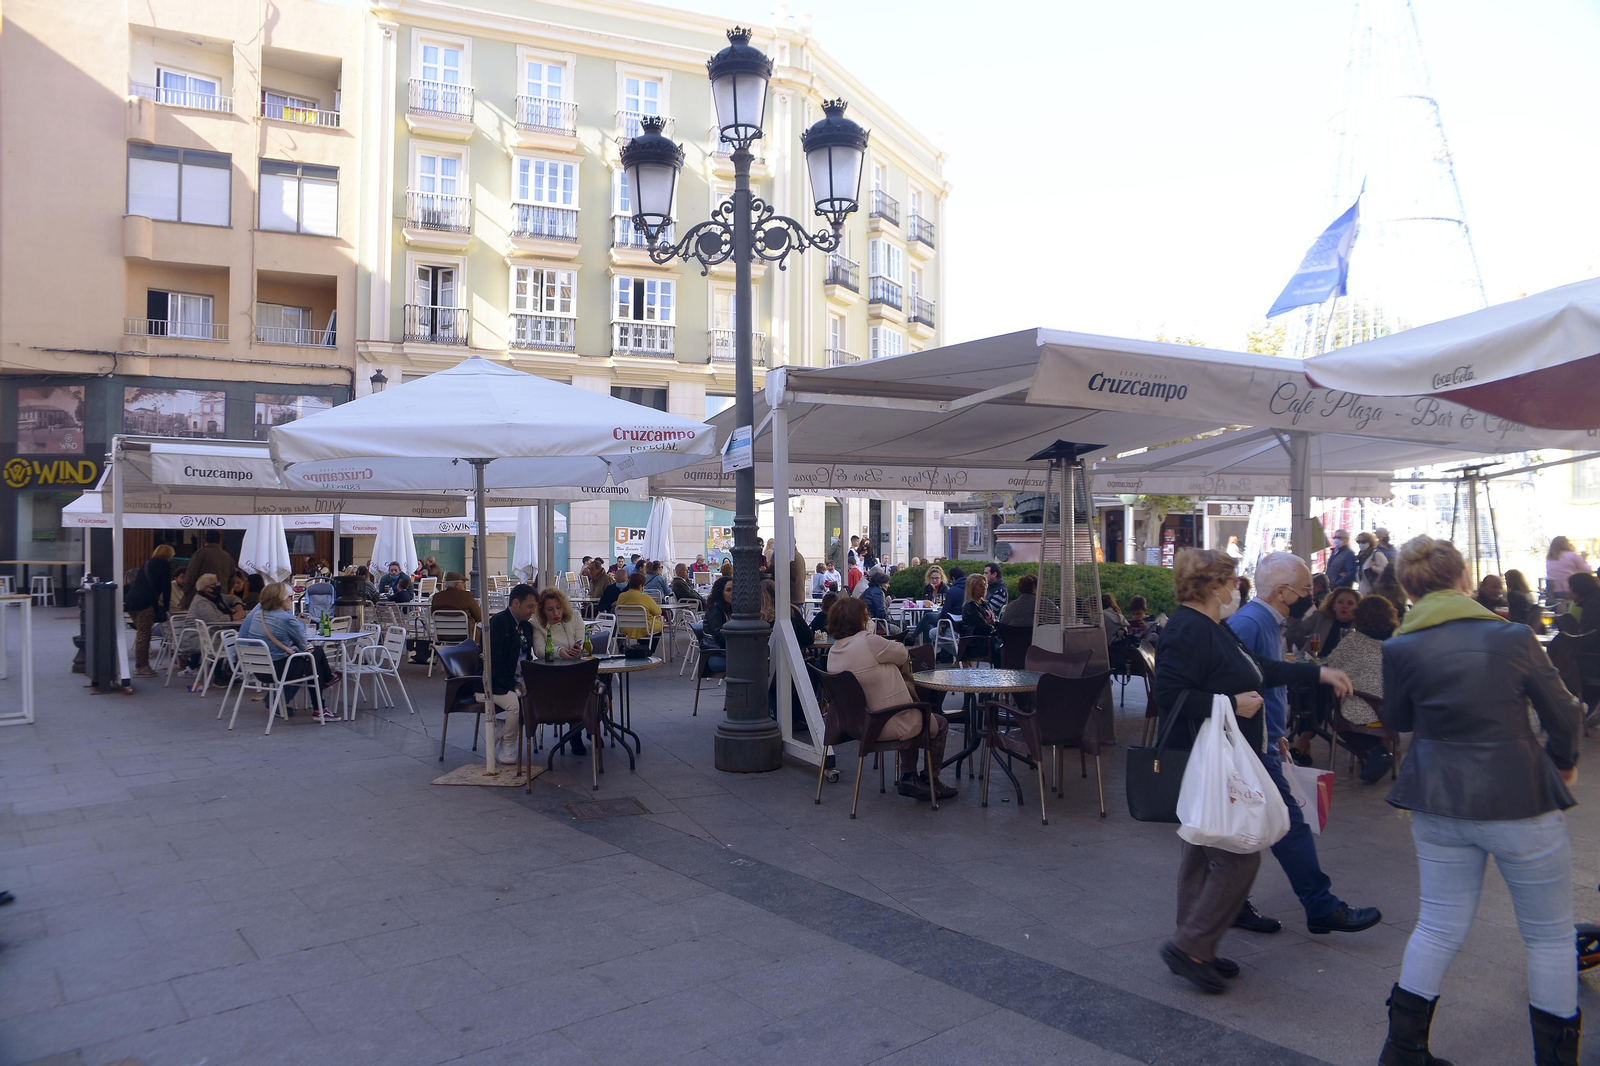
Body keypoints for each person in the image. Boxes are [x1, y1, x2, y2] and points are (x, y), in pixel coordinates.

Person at [1377, 535, 1582, 1066]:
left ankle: (1403, 1052)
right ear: (1463, 578)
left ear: (1409, 589)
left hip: (1435, 798)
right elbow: (1564, 711)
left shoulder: (1399, 646)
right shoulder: (1513, 637)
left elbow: (1396, 719)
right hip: (1520, 797)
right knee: (1549, 938)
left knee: (1436, 925)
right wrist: (1563, 760)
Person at [1152, 549, 1349, 994]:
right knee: (1239, 854)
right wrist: (1229, 704)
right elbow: (1168, 693)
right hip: (1208, 759)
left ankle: (1195, 946)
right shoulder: (1188, 628)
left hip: (1219, 756)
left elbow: (1259, 671)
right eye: (1231, 581)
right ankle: (1190, 946)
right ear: (1211, 585)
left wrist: (1318, 674)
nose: (1236, 588)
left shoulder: (1211, 626)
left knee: (1201, 851)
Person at [1226, 551, 1377, 942]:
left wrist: (1277, 730)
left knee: (1252, 827)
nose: (1312, 595)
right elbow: (1239, 683)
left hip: (1261, 740)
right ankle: (1320, 906)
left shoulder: (1263, 621)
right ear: (1282, 592)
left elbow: (1263, 682)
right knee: (1288, 823)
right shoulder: (1251, 623)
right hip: (1252, 745)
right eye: (1306, 588)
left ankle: (1230, 904)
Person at [826, 596, 956, 801]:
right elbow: (902, 654)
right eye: (865, 615)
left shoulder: (834, 651)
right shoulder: (869, 642)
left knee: (911, 713)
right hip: (883, 722)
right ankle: (929, 779)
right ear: (859, 619)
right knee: (935, 722)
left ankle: (910, 776)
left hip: (855, 724)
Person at [1322, 594, 1398, 782]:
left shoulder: (1353, 640)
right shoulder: (1397, 643)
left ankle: (1372, 753)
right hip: (1391, 710)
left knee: (1332, 712)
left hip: (1360, 707)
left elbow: (1332, 665)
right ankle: (1378, 753)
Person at [238, 582, 337, 712]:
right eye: (290, 597)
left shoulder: (258, 615)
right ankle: (327, 684)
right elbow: (303, 645)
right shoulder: (287, 619)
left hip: (260, 671)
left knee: (312, 662)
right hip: (280, 671)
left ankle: (320, 706)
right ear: (280, 599)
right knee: (316, 655)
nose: (292, 600)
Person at [484, 583, 537, 765]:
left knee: (542, 694)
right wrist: (513, 684)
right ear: (516, 603)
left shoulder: (527, 627)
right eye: (530, 606)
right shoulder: (498, 623)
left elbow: (526, 657)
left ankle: (503, 728)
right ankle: (508, 743)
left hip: (518, 679)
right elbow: (494, 661)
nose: (533, 611)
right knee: (516, 704)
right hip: (492, 683)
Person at [126, 544, 175, 677]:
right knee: (144, 634)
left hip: (131, 601)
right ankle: (141, 667)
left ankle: (142, 665)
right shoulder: (164, 564)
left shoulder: (146, 563)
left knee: (142, 633)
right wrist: (166, 607)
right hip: (145, 603)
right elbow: (167, 587)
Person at [1287, 585, 1359, 657]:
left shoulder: (1360, 625)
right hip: (1312, 661)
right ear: (1333, 605)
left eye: (1350, 603)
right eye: (1340, 602)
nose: (1344, 606)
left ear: (1357, 607)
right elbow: (1292, 634)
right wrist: (1297, 614)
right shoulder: (1320, 617)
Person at [181, 531, 235, 610]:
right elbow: (232, 579)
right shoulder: (228, 556)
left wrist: (186, 591)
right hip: (221, 596)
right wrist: (225, 591)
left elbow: (191, 574)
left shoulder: (200, 553)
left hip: (200, 596)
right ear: (220, 541)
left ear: (204, 541)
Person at [530, 587, 585, 662]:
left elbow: (584, 642)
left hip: (577, 663)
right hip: (552, 666)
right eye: (550, 609)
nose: (556, 613)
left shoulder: (575, 616)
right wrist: (558, 651)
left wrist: (579, 649)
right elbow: (539, 650)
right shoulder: (536, 624)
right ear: (542, 611)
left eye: (559, 607)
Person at [614, 571, 663, 645]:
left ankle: (641, 647)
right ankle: (648, 649)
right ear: (640, 586)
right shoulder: (646, 598)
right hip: (645, 627)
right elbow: (658, 612)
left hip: (625, 627)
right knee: (659, 623)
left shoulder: (621, 596)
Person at [1545, 535, 1587, 602]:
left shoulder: (1549, 557)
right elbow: (1587, 570)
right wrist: (1583, 559)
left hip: (1552, 592)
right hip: (1569, 591)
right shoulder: (1572, 555)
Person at [1355, 532, 1391, 596]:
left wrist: (1373, 568)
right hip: (1362, 593)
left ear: (1370, 542)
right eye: (1358, 542)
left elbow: (1387, 572)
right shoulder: (1360, 557)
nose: (1361, 544)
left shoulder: (1376, 554)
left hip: (1375, 593)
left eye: (1363, 541)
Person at [704, 575, 733, 646]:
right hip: (715, 646)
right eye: (728, 590)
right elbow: (718, 635)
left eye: (734, 589)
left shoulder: (732, 606)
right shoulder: (714, 608)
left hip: (727, 643)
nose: (732, 593)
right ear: (720, 592)